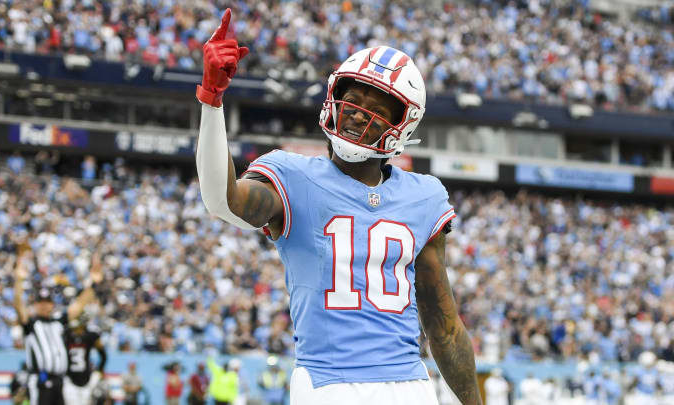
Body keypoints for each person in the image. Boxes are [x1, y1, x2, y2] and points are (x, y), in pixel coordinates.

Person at [195, 9, 482, 405]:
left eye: (377, 108)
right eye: (352, 99)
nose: (358, 112)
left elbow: (444, 327)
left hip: (410, 386)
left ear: (403, 124)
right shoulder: (292, 176)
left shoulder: (424, 196)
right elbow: (222, 202)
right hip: (328, 385)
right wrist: (212, 101)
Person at [13, 247, 103, 405]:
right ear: (35, 304)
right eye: (40, 302)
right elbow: (19, 306)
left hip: (60, 381)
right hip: (41, 380)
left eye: (47, 302)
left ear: (52, 304)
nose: (44, 306)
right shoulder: (32, 324)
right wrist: (19, 281)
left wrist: (94, 283)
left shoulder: (58, 322)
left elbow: (79, 305)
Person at [63, 315, 107, 405]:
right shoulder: (66, 336)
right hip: (69, 379)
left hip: (86, 380)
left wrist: (99, 370)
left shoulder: (90, 336)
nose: (77, 331)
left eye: (79, 328)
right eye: (75, 329)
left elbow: (103, 355)